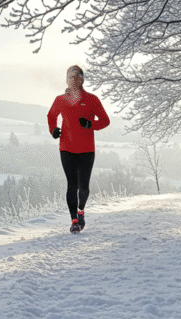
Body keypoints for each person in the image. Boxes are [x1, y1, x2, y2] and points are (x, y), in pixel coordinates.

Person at [47, 65, 110, 233]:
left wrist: (91, 124)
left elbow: (105, 120)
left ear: (82, 80)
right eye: (70, 78)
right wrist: (53, 130)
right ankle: (74, 220)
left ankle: (81, 211)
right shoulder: (60, 100)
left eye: (77, 78)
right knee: (71, 185)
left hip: (87, 150)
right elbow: (51, 116)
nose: (73, 81)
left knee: (83, 188)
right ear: (67, 80)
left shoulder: (92, 99)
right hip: (66, 148)